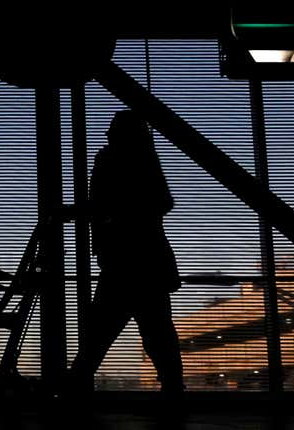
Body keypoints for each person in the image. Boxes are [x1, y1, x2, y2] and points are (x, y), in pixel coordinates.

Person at [70, 109, 185, 396]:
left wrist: (105, 214)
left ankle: (73, 385)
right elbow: (161, 202)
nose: (107, 134)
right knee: (154, 331)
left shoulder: (111, 160)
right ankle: (173, 388)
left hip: (124, 261)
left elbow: (102, 204)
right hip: (147, 262)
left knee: (103, 331)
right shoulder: (143, 161)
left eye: (112, 130)